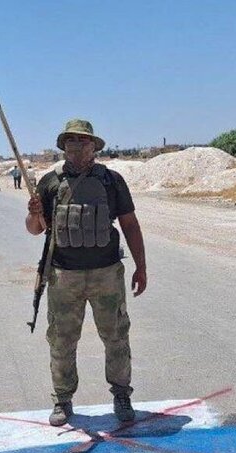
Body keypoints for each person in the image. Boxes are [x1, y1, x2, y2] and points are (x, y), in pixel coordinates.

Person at [25, 119, 147, 426]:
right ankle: (62, 399)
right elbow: (35, 229)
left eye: (83, 141)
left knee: (116, 336)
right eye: (71, 141)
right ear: (63, 146)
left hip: (107, 273)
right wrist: (34, 214)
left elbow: (130, 224)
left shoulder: (111, 181)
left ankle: (122, 395)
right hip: (64, 276)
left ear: (94, 147)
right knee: (61, 340)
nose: (77, 146)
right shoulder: (50, 183)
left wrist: (141, 267)